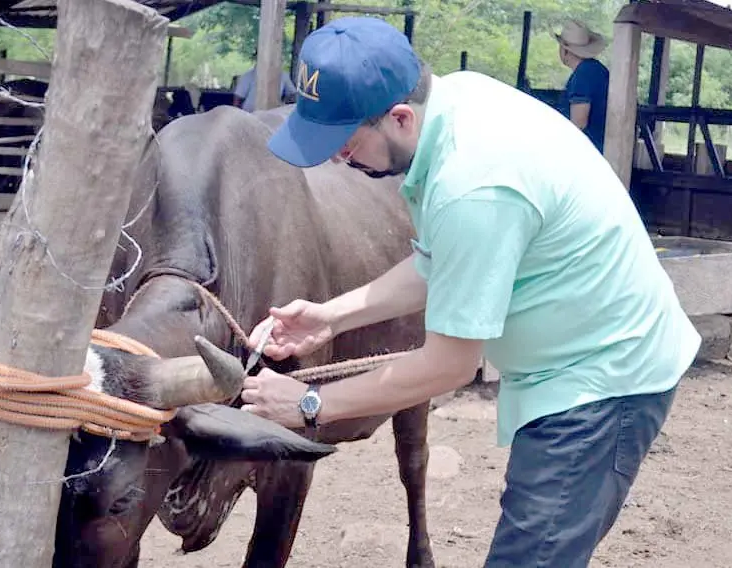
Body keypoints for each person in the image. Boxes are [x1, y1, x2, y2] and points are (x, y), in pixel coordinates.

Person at [239, 16, 701, 568]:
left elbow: (449, 366)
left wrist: (310, 404)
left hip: (601, 382)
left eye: (343, 142)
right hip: (568, 363)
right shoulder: (455, 103)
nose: (337, 158)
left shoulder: (472, 186)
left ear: (400, 118)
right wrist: (330, 317)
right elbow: (439, 262)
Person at [556, 20, 610, 152]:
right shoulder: (596, 69)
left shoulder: (582, 75)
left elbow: (578, 123)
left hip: (588, 151)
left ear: (565, 51)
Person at [232, 52, 298, 112]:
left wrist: (284, 102)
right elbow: (238, 99)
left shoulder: (283, 75)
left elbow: (293, 94)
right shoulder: (248, 76)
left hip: (274, 114)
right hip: (250, 115)